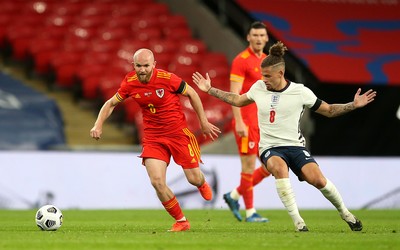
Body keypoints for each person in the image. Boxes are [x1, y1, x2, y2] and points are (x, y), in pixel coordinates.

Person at [192, 41, 376, 232]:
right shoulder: (258, 87)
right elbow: (237, 100)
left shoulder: (300, 92)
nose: (264, 79)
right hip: (270, 147)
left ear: (280, 74)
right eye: (262, 75)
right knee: (279, 168)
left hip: (295, 146)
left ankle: (346, 214)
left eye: (268, 76)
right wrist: (210, 90)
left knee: (319, 180)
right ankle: (299, 222)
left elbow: (328, 110)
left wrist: (353, 105)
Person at [90, 48, 221, 232]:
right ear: (133, 65)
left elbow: (192, 93)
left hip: (178, 134)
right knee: (157, 182)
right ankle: (181, 221)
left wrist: (203, 121)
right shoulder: (130, 82)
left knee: (193, 178)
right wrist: (98, 125)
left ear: (154, 65)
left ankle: (201, 183)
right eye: (138, 66)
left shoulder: (168, 79)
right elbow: (111, 103)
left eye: (146, 65)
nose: (142, 69)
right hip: (153, 137)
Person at [224, 21, 271, 222]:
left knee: (271, 166)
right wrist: (239, 122)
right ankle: (251, 212)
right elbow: (234, 94)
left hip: (263, 123)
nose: (259, 39)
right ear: (248, 37)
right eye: (255, 35)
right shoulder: (241, 60)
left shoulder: (269, 61)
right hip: (247, 121)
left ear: (267, 38)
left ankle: (233, 196)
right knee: (248, 166)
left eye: (262, 35)